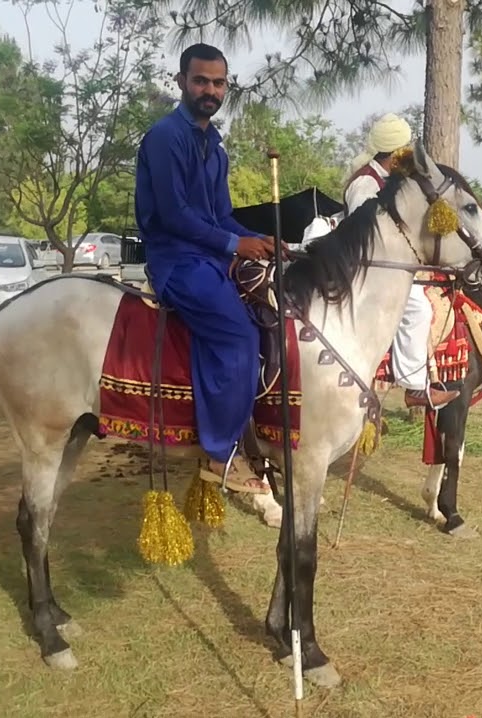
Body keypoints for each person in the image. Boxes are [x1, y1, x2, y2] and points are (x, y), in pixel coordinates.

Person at [134, 43, 275, 494]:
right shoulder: (164, 137)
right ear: (181, 82)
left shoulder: (215, 147)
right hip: (175, 261)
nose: (209, 90)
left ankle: (258, 434)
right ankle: (219, 455)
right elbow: (175, 216)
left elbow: (220, 216)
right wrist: (237, 243)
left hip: (209, 257)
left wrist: (264, 243)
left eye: (218, 83)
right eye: (200, 80)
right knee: (239, 335)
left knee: (272, 310)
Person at [343, 113, 459, 409]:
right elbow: (364, 235)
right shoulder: (365, 186)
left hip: (386, 266)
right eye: (404, 148)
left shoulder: (387, 180)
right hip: (364, 269)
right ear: (395, 153)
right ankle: (414, 387)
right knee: (418, 307)